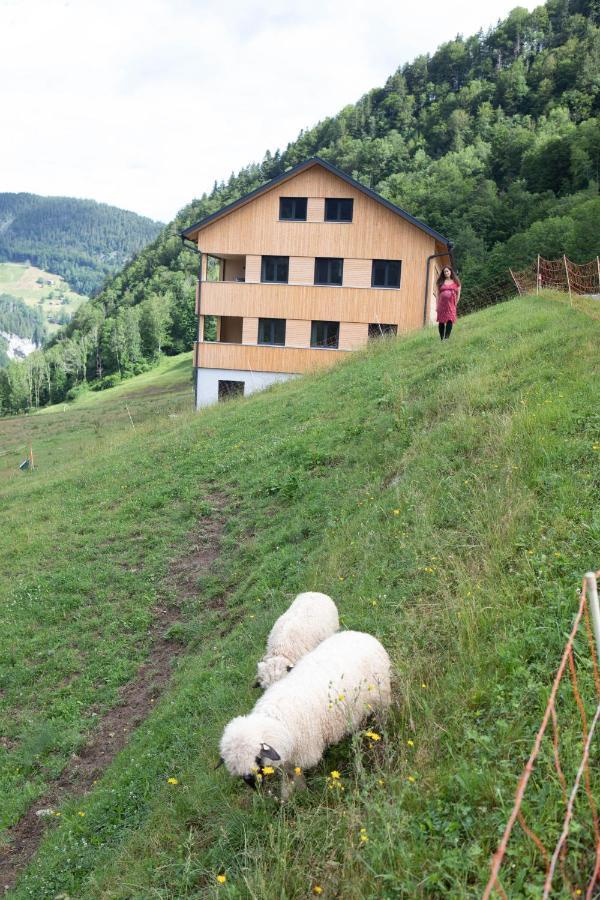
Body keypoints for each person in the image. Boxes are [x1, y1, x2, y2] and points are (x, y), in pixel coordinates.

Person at [436, 266, 461, 340]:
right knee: (441, 320)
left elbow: (458, 293)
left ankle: (446, 338)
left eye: (447, 271)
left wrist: (456, 302)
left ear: (450, 272)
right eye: (445, 272)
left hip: (451, 304)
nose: (446, 273)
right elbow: (438, 294)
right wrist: (437, 305)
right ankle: (441, 338)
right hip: (442, 304)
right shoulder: (441, 282)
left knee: (450, 319)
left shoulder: (456, 281)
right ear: (443, 273)